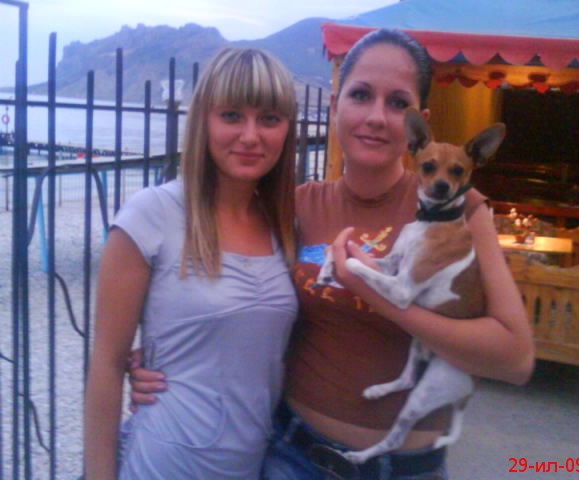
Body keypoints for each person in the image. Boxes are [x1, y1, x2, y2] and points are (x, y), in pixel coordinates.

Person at [130, 29, 535, 480]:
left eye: (397, 103)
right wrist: (165, 360)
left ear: (418, 124)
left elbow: (515, 360)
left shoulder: (461, 210)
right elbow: (233, 300)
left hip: (407, 470)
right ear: (335, 106)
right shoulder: (295, 205)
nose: (376, 117)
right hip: (292, 455)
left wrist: (381, 296)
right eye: (360, 95)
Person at [83, 47, 299, 480]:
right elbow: (106, 365)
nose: (251, 135)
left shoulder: (284, 225)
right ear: (203, 120)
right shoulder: (151, 215)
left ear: (287, 129)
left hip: (254, 465)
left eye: (269, 119)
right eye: (232, 116)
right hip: (164, 464)